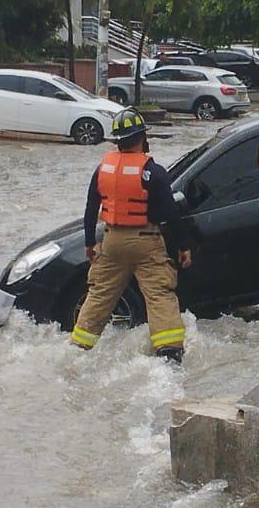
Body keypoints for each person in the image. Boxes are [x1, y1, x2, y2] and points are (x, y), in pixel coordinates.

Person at [71, 109, 192, 362]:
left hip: (112, 241)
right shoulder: (152, 171)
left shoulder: (103, 169)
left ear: (117, 140)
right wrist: (183, 246)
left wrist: (88, 243)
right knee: (159, 294)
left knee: (100, 294)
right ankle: (169, 353)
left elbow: (91, 208)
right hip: (146, 241)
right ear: (141, 137)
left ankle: (78, 348)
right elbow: (171, 214)